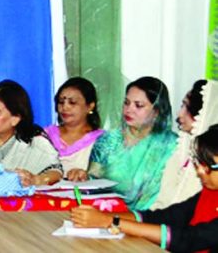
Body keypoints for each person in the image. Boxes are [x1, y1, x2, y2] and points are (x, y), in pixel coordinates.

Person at [70, 124, 218, 252]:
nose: (199, 171)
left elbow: (187, 240)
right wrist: (104, 217)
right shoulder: (210, 193)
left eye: (208, 166)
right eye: (198, 163)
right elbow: (167, 217)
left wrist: (110, 222)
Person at [70, 76, 177, 210]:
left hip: (147, 221)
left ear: (156, 111)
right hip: (101, 214)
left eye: (138, 105)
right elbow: (93, 181)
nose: (128, 109)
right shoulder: (108, 140)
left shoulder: (170, 147)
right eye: (126, 103)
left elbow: (164, 196)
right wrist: (82, 176)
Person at [151, 79, 210, 209]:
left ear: (201, 113)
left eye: (185, 107)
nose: (179, 115)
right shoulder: (182, 153)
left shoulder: (209, 169)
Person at [44, 77, 105, 180]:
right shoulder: (45, 136)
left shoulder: (102, 141)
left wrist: (86, 176)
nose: (65, 107)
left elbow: (106, 176)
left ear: (90, 106)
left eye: (72, 102)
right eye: (61, 102)